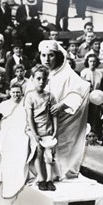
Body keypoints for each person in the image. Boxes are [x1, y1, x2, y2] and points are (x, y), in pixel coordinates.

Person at [33, 40, 90, 179]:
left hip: (61, 121)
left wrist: (62, 105)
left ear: (57, 56)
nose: (46, 59)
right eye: (44, 55)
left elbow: (82, 89)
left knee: (59, 149)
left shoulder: (67, 74)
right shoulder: (39, 73)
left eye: (50, 55)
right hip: (40, 120)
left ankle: (57, 174)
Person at [24, 65, 58, 191]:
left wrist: (55, 130)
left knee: (49, 156)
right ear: (32, 79)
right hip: (35, 131)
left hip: (47, 130)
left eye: (44, 79)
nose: (41, 81)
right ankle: (41, 178)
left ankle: (50, 179)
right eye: (38, 78)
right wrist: (35, 134)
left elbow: (54, 115)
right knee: (38, 154)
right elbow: (29, 117)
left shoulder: (50, 96)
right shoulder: (30, 96)